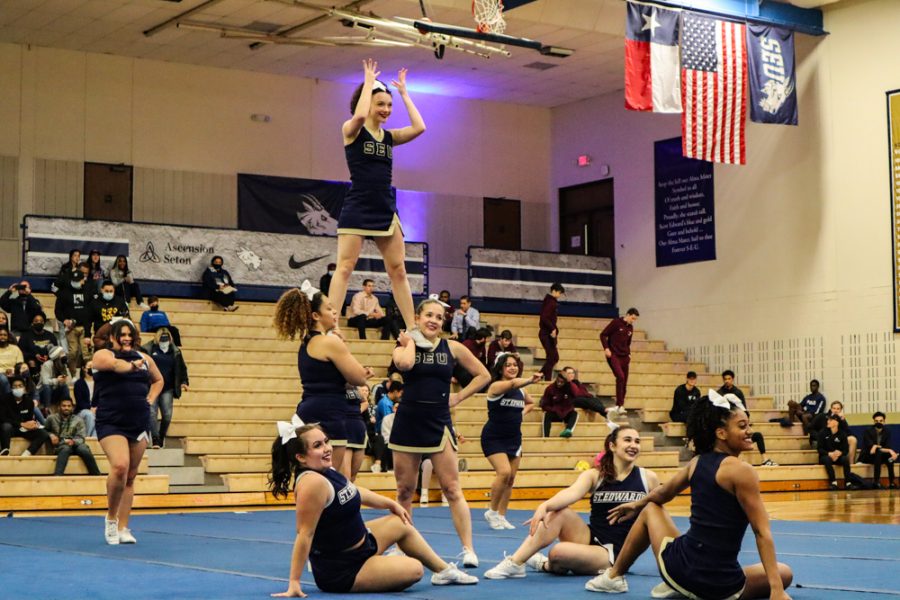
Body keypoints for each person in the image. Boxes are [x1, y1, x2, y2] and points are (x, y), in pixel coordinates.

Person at [586, 391, 793, 599]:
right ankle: (627, 577)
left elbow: (663, 494)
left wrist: (638, 504)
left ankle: (613, 576)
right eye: (742, 426)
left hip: (682, 570)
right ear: (721, 433)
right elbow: (761, 531)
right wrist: (776, 590)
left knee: (650, 508)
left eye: (749, 425)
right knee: (783, 573)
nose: (749, 432)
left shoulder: (696, 463)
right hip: (720, 587)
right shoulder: (742, 471)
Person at [269, 423, 477, 597]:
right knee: (414, 569)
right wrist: (294, 582)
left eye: (326, 441)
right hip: (344, 569)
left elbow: (354, 491)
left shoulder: (325, 470)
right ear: (301, 457)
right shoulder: (311, 484)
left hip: (362, 544)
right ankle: (378, 567)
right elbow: (305, 534)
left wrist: (390, 504)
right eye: (317, 445)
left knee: (399, 522)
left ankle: (444, 572)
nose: (327, 448)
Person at [325, 59, 427, 349]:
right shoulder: (352, 131)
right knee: (345, 267)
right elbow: (357, 118)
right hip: (358, 205)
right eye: (380, 104)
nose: (385, 110)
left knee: (399, 270)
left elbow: (420, 127)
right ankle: (331, 326)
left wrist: (404, 94)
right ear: (367, 103)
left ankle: (412, 328)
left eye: (388, 105)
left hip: (384, 207)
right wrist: (368, 83)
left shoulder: (389, 137)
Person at [390, 297, 490, 567]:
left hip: (439, 421)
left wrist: (458, 398)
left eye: (438, 317)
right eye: (428, 315)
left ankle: (468, 549)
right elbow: (405, 365)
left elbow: (484, 375)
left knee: (452, 488)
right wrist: (410, 340)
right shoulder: (402, 346)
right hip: (408, 422)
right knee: (404, 490)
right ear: (418, 318)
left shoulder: (453, 347)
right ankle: (402, 546)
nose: (434, 320)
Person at [485, 424, 659, 579]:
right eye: (627, 440)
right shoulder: (595, 475)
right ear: (612, 446)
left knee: (558, 553)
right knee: (558, 512)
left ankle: (547, 565)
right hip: (590, 537)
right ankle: (516, 563)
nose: (633, 445)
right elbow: (571, 493)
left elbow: (658, 519)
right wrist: (544, 506)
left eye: (637, 441)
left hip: (616, 553)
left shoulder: (648, 478)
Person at [274, 282, 373, 478]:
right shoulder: (328, 342)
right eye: (329, 308)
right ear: (315, 316)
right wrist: (364, 373)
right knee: (332, 482)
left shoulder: (308, 342)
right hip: (329, 413)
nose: (334, 312)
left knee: (316, 479)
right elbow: (358, 377)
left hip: (312, 409)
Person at [92, 319, 163, 545]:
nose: (126, 338)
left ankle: (123, 527)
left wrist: (151, 398)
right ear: (112, 337)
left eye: (129, 334)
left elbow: (159, 380)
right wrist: (134, 365)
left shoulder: (145, 358)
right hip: (112, 421)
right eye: (121, 334)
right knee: (120, 466)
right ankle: (111, 519)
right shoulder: (102, 355)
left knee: (131, 477)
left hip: (138, 421)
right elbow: (116, 367)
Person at [481, 353, 541, 530]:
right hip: (494, 437)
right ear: (501, 368)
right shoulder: (496, 386)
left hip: (514, 438)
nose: (513, 368)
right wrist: (530, 379)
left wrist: (521, 413)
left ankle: (501, 515)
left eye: (515, 365)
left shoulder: (522, 391)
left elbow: (531, 403)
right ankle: (491, 511)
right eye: (508, 365)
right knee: (504, 472)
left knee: (511, 478)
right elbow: (513, 383)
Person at [142, 328, 189, 449]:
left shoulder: (175, 351)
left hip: (167, 387)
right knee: (152, 413)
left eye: (167, 337)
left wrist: (184, 381)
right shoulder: (149, 349)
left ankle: (162, 435)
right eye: (162, 337)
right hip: (151, 386)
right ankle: (156, 438)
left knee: (167, 415)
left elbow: (181, 368)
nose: (164, 340)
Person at [719, 370, 777, 466]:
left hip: (738, 424)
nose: (727, 381)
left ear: (732, 379)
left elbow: (744, 410)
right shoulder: (720, 393)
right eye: (725, 379)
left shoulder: (738, 392)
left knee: (757, 436)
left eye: (729, 379)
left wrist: (744, 424)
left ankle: (765, 460)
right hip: (728, 427)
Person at [45, 397, 101, 476]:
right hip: (60, 445)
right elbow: (44, 430)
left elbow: (81, 437)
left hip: (76, 445)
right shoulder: (51, 418)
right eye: (63, 406)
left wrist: (73, 441)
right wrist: (51, 435)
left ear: (72, 407)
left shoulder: (78, 420)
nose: (66, 408)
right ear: (59, 407)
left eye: (69, 406)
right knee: (65, 448)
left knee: (84, 449)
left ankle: (97, 476)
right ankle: (57, 476)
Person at [599, 308, 639, 416]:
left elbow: (628, 343)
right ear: (628, 315)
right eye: (632, 318)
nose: (633, 321)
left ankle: (620, 406)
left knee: (624, 381)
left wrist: (629, 354)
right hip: (614, 355)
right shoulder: (616, 322)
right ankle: (618, 404)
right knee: (620, 377)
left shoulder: (631, 328)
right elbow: (603, 335)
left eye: (635, 319)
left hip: (625, 356)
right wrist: (606, 348)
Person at [55, 270, 95, 376]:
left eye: (78, 280)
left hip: (84, 326)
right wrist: (64, 320)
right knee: (72, 353)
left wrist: (87, 333)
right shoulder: (64, 292)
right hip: (71, 328)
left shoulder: (88, 291)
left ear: (83, 280)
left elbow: (90, 312)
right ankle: (73, 375)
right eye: (74, 280)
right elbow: (58, 310)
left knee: (86, 353)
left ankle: (89, 374)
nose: (76, 282)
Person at [0, 376, 50, 456]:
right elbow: (2, 418)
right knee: (6, 426)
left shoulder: (29, 402)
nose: (17, 388)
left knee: (43, 433)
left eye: (20, 386)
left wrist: (33, 424)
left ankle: (27, 453)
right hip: (9, 429)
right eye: (15, 386)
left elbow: (29, 419)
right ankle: (5, 450)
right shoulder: (4, 399)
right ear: (11, 388)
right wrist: (21, 424)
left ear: (24, 388)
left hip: (23, 429)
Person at [817, 413, 856, 490]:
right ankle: (833, 482)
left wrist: (840, 453)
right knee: (827, 459)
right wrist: (829, 454)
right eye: (828, 420)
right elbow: (819, 449)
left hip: (838, 456)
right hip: (826, 456)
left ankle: (848, 483)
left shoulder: (842, 434)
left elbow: (845, 450)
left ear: (837, 422)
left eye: (830, 420)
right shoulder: (822, 432)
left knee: (845, 459)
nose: (828, 421)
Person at [859, 411, 896, 489]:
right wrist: (878, 447)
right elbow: (870, 447)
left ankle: (892, 482)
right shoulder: (868, 431)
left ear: (884, 421)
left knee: (890, 458)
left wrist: (888, 450)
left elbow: (887, 446)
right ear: (873, 421)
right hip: (868, 456)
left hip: (880, 456)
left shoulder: (887, 431)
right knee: (879, 453)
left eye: (881, 421)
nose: (878, 422)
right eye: (876, 421)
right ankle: (876, 481)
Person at [372, 381, 402, 473]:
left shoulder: (405, 420)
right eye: (396, 408)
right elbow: (386, 435)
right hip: (386, 439)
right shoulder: (386, 412)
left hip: (397, 440)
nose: (397, 410)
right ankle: (388, 467)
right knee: (389, 446)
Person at [342, 383, 370, 481]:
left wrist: (356, 411)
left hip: (359, 430)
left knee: (353, 476)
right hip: (344, 430)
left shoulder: (355, 386)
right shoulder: (335, 385)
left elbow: (365, 402)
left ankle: (352, 496)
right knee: (346, 477)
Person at [540, 370, 578, 438]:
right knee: (547, 415)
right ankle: (546, 436)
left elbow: (576, 393)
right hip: (555, 412)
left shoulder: (570, 387)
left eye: (562, 382)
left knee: (574, 413)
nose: (559, 384)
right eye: (558, 381)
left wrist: (570, 382)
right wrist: (553, 409)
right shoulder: (550, 388)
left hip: (566, 412)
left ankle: (568, 430)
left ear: (566, 382)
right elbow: (544, 405)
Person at [539, 283, 565, 381]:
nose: (559, 295)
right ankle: (542, 375)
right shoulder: (551, 302)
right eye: (558, 292)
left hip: (547, 333)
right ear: (553, 291)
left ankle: (546, 378)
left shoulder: (549, 301)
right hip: (547, 334)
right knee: (552, 357)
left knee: (552, 357)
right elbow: (544, 317)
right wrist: (552, 328)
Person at [73, 362, 97, 437]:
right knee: (90, 415)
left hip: (96, 409)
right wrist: (90, 408)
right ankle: (88, 438)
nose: (91, 368)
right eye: (89, 366)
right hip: (82, 410)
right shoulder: (78, 383)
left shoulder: (99, 383)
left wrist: (96, 408)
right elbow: (79, 402)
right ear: (84, 368)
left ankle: (94, 440)